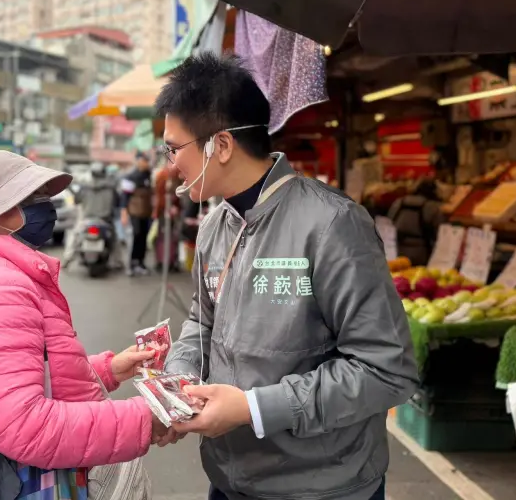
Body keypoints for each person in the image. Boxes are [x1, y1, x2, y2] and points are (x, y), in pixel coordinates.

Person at [155, 54, 419, 500]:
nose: (170, 165)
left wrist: (253, 408)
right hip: (229, 478)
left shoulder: (332, 225)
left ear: (221, 145)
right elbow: (202, 321)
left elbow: (385, 370)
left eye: (174, 148)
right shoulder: (215, 226)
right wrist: (178, 382)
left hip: (324, 487)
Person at [0, 151, 172, 489]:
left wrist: (109, 370)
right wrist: (145, 417)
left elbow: (25, 372)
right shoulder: (4, 285)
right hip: (33, 482)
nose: (46, 206)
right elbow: (23, 426)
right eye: (31, 196)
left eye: (45, 194)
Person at [62, 162, 123, 269]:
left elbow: (77, 201)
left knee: (74, 237)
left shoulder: (84, 187)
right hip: (105, 220)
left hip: (87, 220)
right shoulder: (111, 188)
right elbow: (117, 203)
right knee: (115, 240)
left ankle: (67, 259)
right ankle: (118, 262)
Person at [387, 179, 445, 266]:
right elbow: (439, 231)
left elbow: (389, 221)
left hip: (397, 249)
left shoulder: (399, 202)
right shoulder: (432, 207)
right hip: (421, 252)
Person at [120, 152, 154, 276]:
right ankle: (131, 264)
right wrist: (124, 213)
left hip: (146, 213)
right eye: (144, 161)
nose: (146, 163)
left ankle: (140, 262)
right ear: (138, 161)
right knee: (134, 237)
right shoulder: (131, 176)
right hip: (134, 213)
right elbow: (125, 197)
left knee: (143, 238)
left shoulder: (148, 175)